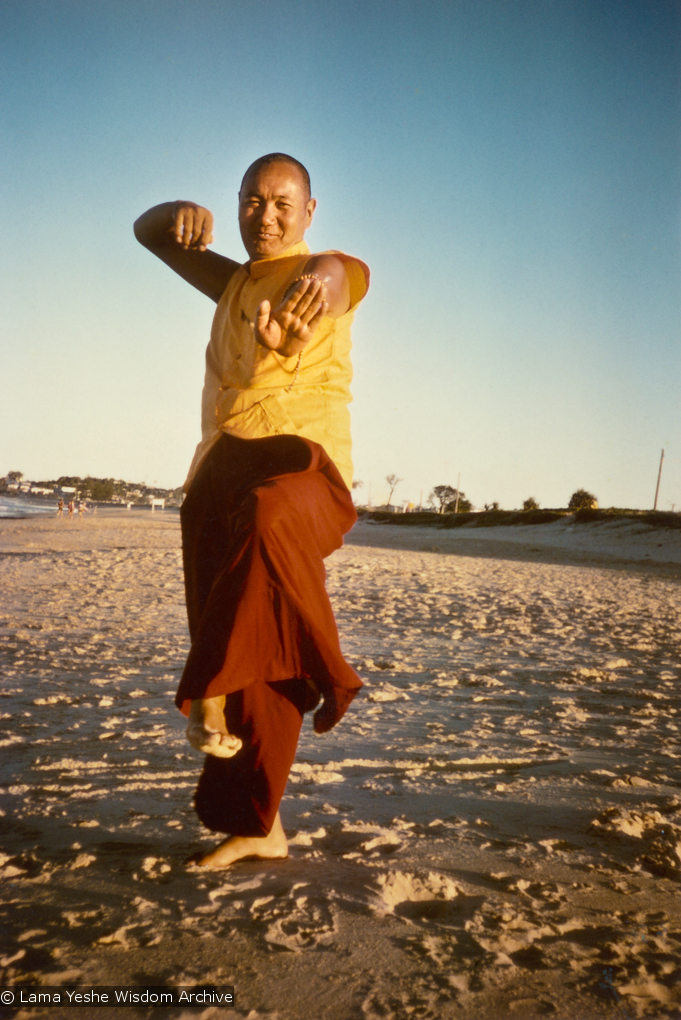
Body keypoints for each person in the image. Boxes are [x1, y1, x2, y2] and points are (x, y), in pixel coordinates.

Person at [134, 153, 369, 867]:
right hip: (220, 472)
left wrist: (316, 289)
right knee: (253, 645)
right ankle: (261, 824)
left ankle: (215, 688)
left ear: (309, 210)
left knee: (270, 516)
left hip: (303, 469)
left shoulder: (325, 270)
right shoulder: (234, 281)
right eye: (250, 201)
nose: (265, 217)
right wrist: (175, 213)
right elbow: (147, 233)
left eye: (281, 204)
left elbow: (343, 274)